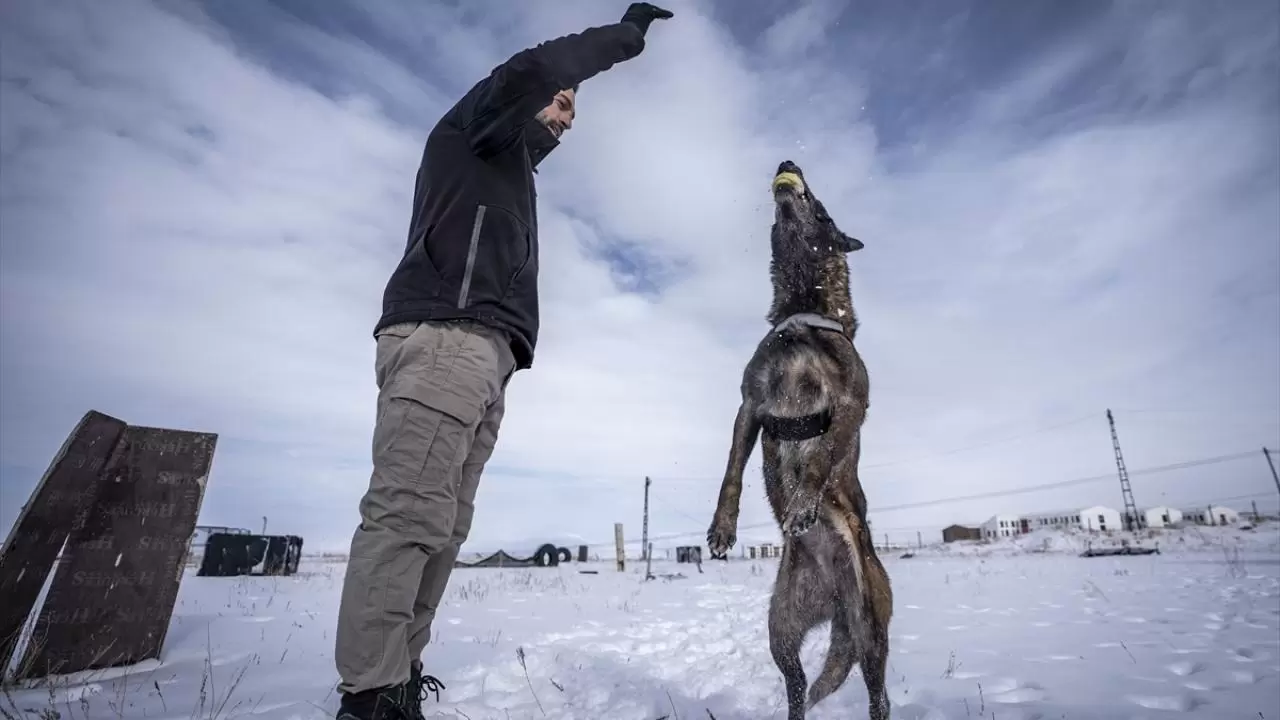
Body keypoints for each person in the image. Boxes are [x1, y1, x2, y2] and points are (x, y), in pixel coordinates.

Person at [333, 4, 674, 719]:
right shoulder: (474, 130)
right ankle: (368, 699)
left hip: (486, 356)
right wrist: (621, 38)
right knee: (406, 518)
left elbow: (535, 120)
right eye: (563, 98)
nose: (569, 112)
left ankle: (397, 679)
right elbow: (530, 71)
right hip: (444, 338)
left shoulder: (512, 168)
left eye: (573, 104)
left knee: (444, 528)